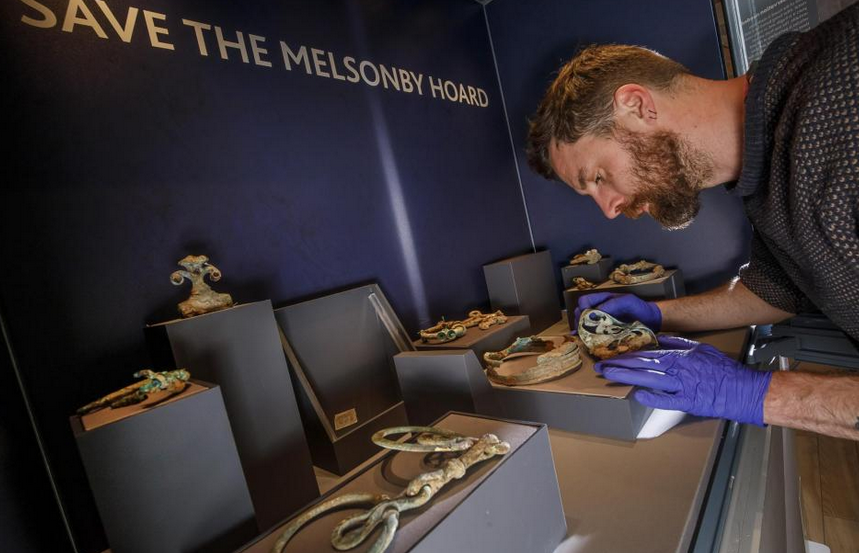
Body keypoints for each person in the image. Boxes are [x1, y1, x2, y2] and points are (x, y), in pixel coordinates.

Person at [526, 5, 859, 440]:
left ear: (636, 105)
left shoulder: (841, 89)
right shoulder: (763, 177)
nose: (609, 209)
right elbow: (777, 288)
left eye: (599, 178)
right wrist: (656, 315)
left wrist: (759, 396)